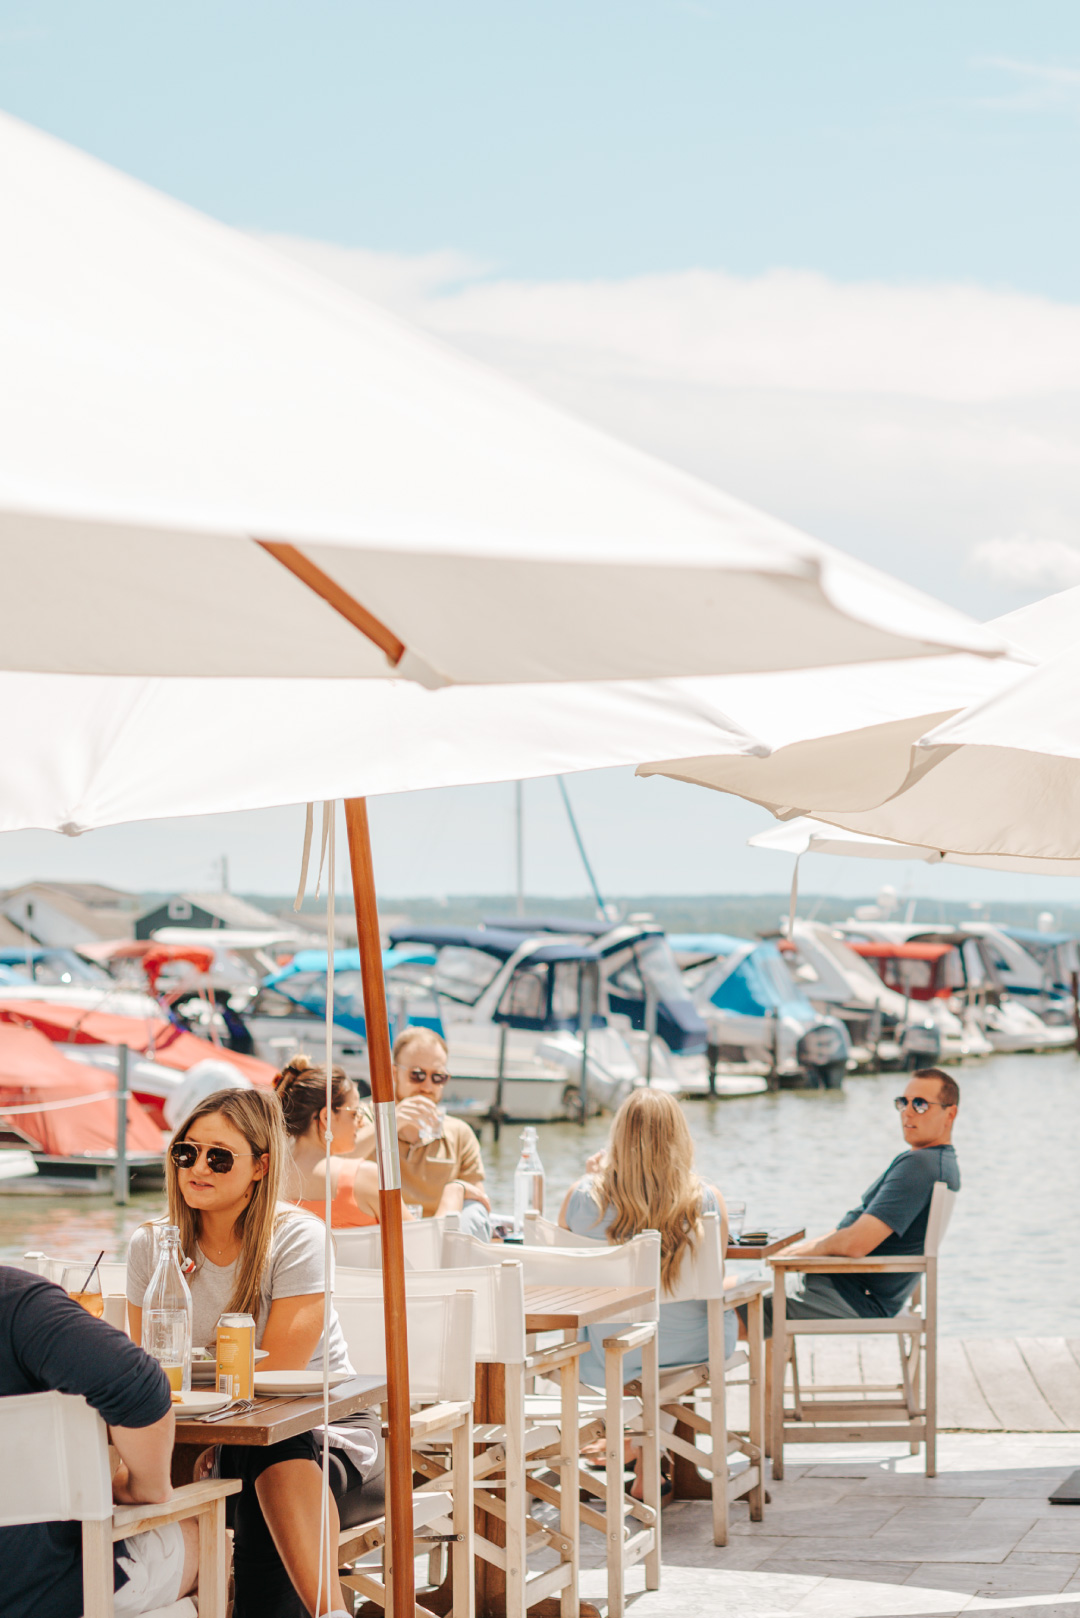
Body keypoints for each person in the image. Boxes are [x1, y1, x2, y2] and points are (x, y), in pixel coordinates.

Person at [127, 1087, 367, 1618]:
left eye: (219, 1157)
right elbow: (150, 1369)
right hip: (198, 1433)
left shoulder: (296, 1237)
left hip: (320, 1429)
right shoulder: (154, 1244)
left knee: (264, 1448)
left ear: (261, 1166)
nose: (198, 1168)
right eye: (187, 1152)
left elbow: (277, 1371)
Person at [0, 1262, 199, 1618]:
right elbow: (139, 1387)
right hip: (49, 1588)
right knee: (202, 1535)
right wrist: (143, 1487)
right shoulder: (15, 1302)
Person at [750, 1067, 961, 1336]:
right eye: (903, 1102)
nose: (907, 1112)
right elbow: (852, 1232)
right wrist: (804, 1251)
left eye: (920, 1104)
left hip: (848, 1296)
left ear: (950, 1114)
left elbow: (855, 1243)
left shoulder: (919, 1166)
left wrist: (801, 1255)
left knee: (722, 1310)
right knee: (730, 1291)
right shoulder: (940, 1163)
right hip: (841, 1287)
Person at [276, 1052, 481, 1226]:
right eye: (354, 1114)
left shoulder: (270, 1175)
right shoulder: (364, 1177)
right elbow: (422, 1245)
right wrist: (454, 1191)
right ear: (327, 1118)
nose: (361, 1123)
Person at [354, 1027, 491, 1235]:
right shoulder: (363, 1119)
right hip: (377, 1239)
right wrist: (391, 1123)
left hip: (441, 1240)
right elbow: (334, 1163)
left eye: (438, 1077)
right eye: (417, 1075)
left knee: (474, 1211)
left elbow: (478, 1199)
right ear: (394, 1073)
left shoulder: (459, 1133)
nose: (427, 1086)